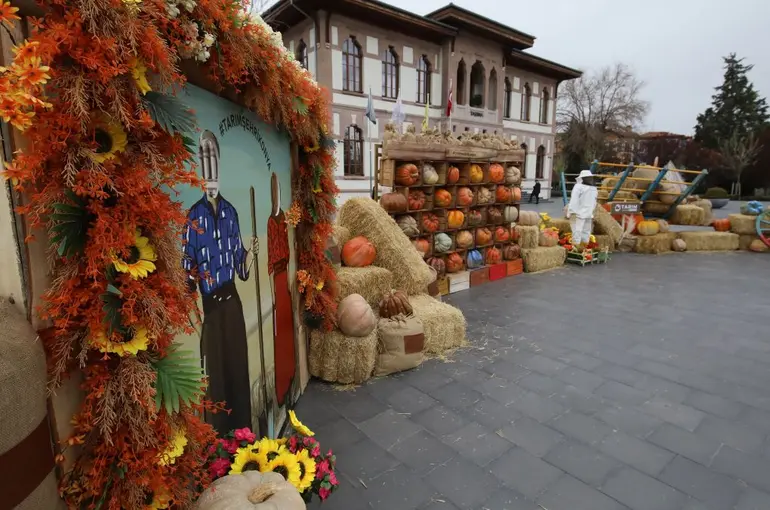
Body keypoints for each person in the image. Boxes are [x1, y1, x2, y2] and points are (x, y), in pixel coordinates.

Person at [182, 130, 255, 435]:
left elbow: (242, 267)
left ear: (219, 164)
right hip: (210, 307)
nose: (210, 166)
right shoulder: (194, 217)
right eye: (205, 157)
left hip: (233, 302)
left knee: (238, 370)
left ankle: (244, 433)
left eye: (214, 158)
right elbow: (187, 269)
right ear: (201, 165)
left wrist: (250, 254)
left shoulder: (231, 213)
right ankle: (220, 440)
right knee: (217, 379)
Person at [266, 173, 296, 408]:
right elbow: (271, 257)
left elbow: (286, 249)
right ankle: (281, 388)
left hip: (284, 277)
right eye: (274, 192)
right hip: (276, 278)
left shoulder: (283, 217)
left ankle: (290, 376)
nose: (277, 197)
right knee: (279, 331)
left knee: (286, 330)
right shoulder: (270, 221)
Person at [567, 169, 598, 249]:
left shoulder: (583, 187)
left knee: (583, 232)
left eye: (590, 178)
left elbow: (594, 202)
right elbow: (574, 200)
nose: (590, 179)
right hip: (580, 214)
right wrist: (572, 211)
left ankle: (582, 250)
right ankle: (577, 249)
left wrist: (571, 211)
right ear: (583, 178)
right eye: (588, 178)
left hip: (582, 214)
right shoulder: (582, 187)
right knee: (579, 232)